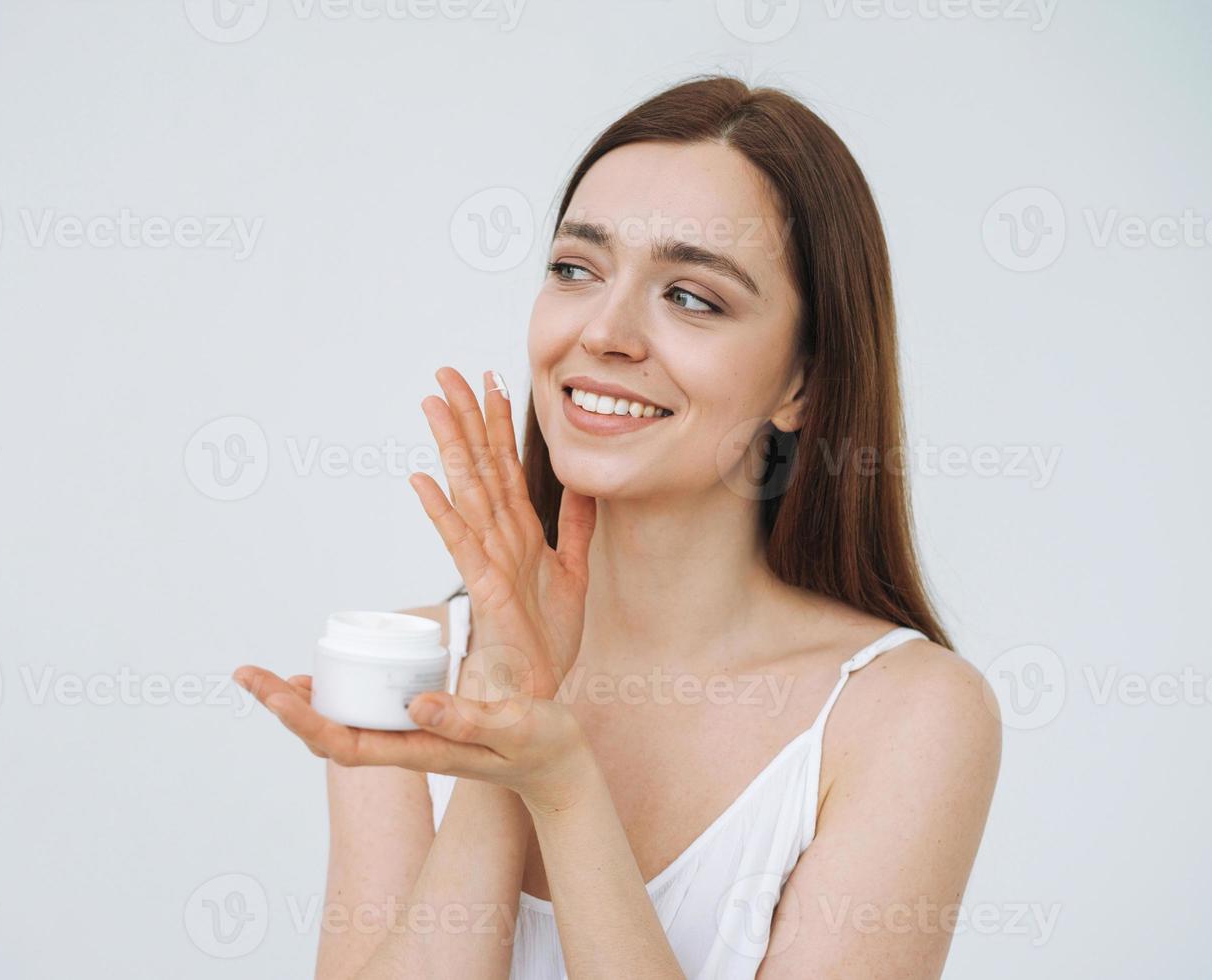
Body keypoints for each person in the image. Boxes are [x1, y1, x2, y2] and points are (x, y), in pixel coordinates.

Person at [235, 74, 1002, 979]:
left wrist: (559, 785)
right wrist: (501, 729)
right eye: (575, 269)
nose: (604, 331)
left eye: (692, 296)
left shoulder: (908, 716)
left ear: (803, 384)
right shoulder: (404, 667)